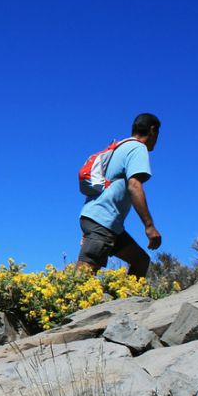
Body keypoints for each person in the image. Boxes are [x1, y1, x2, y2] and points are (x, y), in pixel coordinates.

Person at [76, 113, 162, 278]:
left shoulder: (120, 147)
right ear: (152, 131)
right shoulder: (138, 148)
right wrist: (149, 226)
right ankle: (63, 302)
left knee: (140, 260)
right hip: (102, 222)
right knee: (81, 279)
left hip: (103, 222)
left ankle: (131, 302)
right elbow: (134, 185)